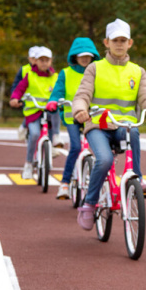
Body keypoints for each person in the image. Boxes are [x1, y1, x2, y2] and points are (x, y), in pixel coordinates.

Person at [72, 18, 146, 230]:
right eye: (115, 40)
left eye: (123, 40)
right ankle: (89, 204)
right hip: (98, 126)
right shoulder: (94, 68)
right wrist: (80, 110)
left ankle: (137, 178)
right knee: (105, 159)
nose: (119, 44)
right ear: (106, 42)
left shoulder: (137, 71)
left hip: (123, 127)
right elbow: (82, 95)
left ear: (130, 43)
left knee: (133, 133)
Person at [46, 37, 101, 199]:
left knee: (100, 149)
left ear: (93, 56)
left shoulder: (97, 72)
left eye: (88, 55)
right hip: (72, 117)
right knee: (76, 147)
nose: (85, 58)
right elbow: (57, 91)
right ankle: (64, 183)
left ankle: (99, 184)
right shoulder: (65, 73)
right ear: (74, 56)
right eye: (81, 55)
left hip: (92, 116)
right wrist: (53, 101)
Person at [8, 46, 58, 180]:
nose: (44, 63)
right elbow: (20, 88)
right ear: (36, 61)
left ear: (51, 61)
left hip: (49, 111)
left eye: (47, 60)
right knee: (34, 134)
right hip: (33, 112)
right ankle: (28, 164)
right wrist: (15, 98)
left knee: (54, 122)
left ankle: (54, 143)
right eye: (41, 60)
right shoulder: (30, 75)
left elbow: (61, 90)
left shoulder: (55, 77)